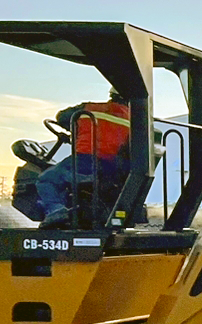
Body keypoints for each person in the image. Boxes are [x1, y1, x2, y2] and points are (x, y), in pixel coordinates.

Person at [32, 88, 131, 228]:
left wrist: (76, 128)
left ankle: (56, 210)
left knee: (47, 179)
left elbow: (62, 116)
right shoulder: (133, 119)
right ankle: (70, 211)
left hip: (85, 160)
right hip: (111, 167)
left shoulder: (89, 108)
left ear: (111, 95)